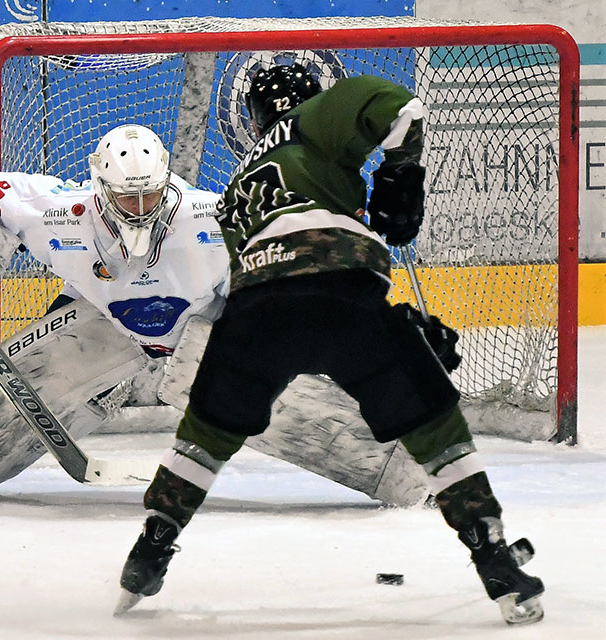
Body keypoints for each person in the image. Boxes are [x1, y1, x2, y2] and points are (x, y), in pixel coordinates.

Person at [113, 65, 545, 626]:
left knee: (207, 434)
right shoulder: (313, 118)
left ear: (253, 116)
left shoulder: (234, 193)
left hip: (255, 312)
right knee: (432, 421)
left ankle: (149, 549)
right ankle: (494, 558)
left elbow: (261, 274)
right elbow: (400, 107)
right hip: (344, 297)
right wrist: (402, 172)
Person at [0, 124, 432, 507]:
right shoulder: (64, 216)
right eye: (127, 199)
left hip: (206, 330)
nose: (140, 210)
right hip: (102, 327)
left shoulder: (212, 216)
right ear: (99, 186)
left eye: (150, 197)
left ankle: (395, 460)